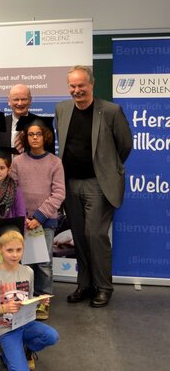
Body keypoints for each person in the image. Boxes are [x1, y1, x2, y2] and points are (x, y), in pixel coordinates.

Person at [55, 65, 132, 308]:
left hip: (98, 184)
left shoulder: (110, 111)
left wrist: (106, 168)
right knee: (78, 236)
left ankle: (104, 287)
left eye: (81, 85)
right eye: (72, 86)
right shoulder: (62, 109)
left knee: (95, 235)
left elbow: (125, 145)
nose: (77, 90)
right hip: (70, 183)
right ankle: (85, 284)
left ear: (91, 84)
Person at [0, 218, 59, 371]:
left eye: (19, 250)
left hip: (26, 323)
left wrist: (39, 302)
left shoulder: (28, 272)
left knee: (52, 336)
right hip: (6, 329)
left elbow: (28, 299)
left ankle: (26, 348)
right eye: (10, 250)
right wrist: (3, 309)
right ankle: (6, 351)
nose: (15, 254)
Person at [10, 115, 65, 319]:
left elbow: (58, 193)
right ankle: (24, 299)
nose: (34, 138)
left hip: (45, 222)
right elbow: (13, 190)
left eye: (38, 134)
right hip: (23, 221)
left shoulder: (55, 163)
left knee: (43, 264)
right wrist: (23, 216)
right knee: (23, 262)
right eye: (31, 134)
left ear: (45, 137)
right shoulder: (18, 162)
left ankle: (43, 301)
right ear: (25, 137)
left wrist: (39, 217)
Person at [0, 84, 33, 151]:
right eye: (16, 99)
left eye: (24, 99)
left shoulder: (42, 124)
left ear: (30, 100)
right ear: (9, 101)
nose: (20, 103)